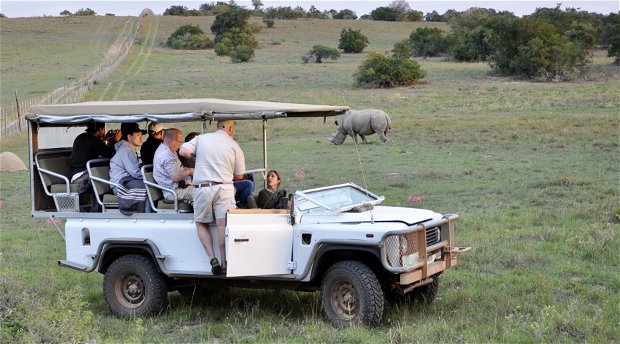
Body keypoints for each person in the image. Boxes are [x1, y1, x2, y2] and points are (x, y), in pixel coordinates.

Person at [179, 120, 246, 275]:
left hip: (203, 188)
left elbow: (184, 152)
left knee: (201, 223)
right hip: (224, 187)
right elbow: (239, 175)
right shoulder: (234, 145)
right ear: (230, 128)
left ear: (218, 126)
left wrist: (197, 158)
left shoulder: (201, 139)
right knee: (223, 226)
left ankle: (212, 258)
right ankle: (224, 262)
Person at [110, 123, 150, 213]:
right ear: (129, 137)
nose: (141, 138)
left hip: (125, 181)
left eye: (141, 135)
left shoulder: (128, 148)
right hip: (120, 184)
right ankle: (147, 218)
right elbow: (135, 172)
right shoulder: (126, 149)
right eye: (138, 135)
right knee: (149, 188)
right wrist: (149, 176)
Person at [153, 128, 194, 203]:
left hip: (180, 188)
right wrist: (190, 171)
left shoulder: (170, 151)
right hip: (173, 192)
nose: (180, 145)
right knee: (202, 194)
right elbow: (176, 176)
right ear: (172, 140)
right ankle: (204, 215)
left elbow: (178, 169)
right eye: (179, 142)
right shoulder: (166, 154)